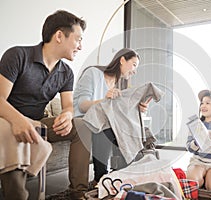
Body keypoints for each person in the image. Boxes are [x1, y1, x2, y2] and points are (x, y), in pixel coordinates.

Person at [0, 10, 90, 199]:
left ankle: (78, 192)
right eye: (78, 39)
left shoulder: (66, 73)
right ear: (59, 36)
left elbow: (68, 106)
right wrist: (19, 120)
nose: (80, 47)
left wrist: (67, 115)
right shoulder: (17, 55)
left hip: (38, 124)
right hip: (5, 120)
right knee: (12, 131)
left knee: (82, 125)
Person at [73, 48, 151, 190]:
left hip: (104, 121)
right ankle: (100, 178)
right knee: (106, 126)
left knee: (125, 128)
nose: (135, 70)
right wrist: (105, 99)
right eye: (134, 64)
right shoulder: (93, 73)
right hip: (85, 119)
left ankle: (121, 175)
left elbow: (119, 113)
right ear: (122, 60)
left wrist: (138, 109)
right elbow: (82, 106)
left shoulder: (119, 86)